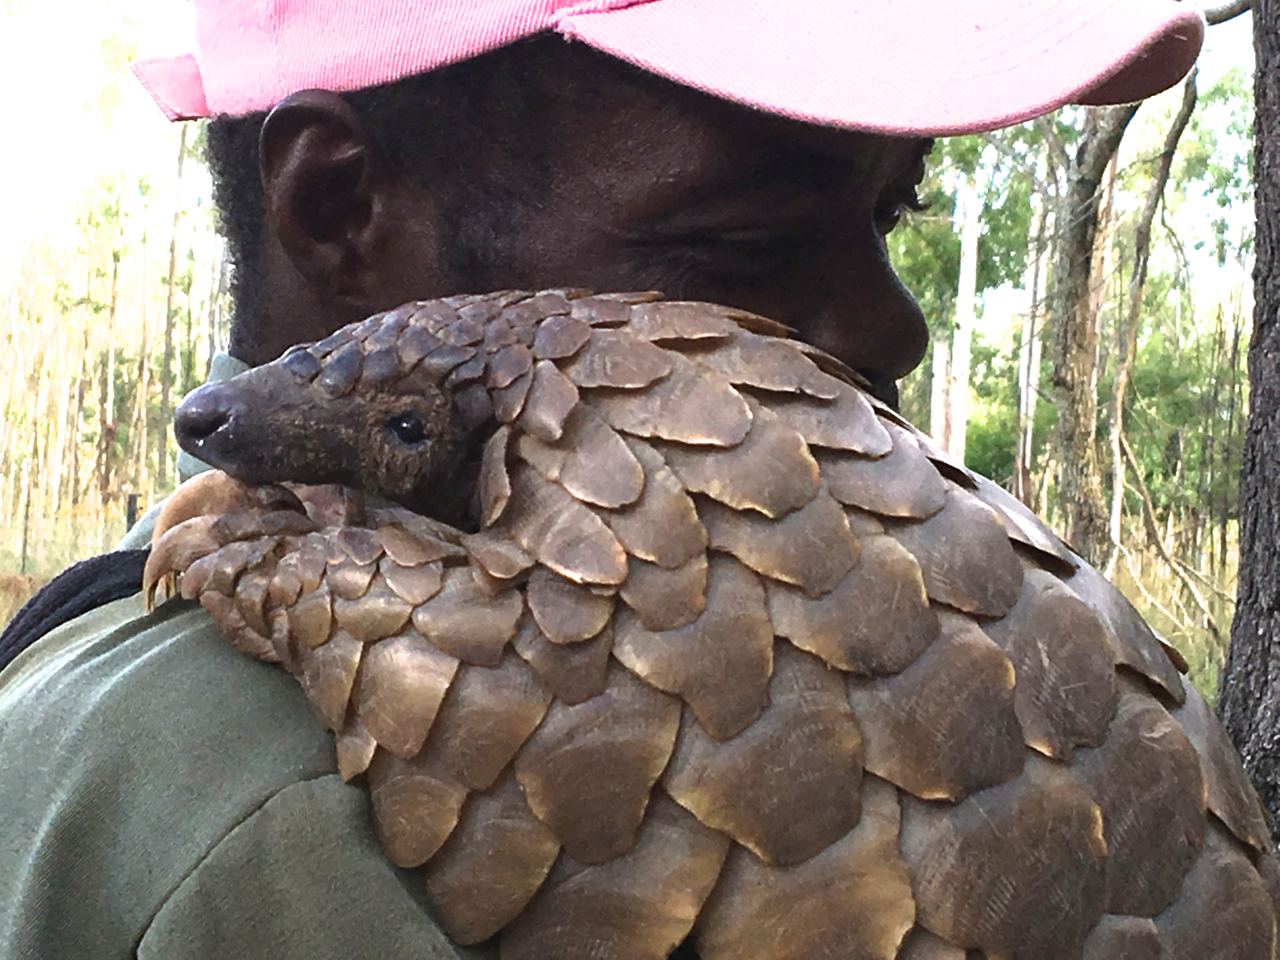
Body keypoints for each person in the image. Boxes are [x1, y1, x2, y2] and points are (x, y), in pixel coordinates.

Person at [0, 2, 1206, 958]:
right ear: (340, 209)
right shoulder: (294, 805)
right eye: (743, 241)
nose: (893, 324)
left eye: (887, 217)